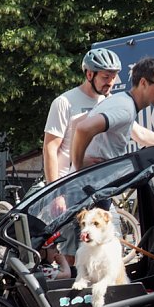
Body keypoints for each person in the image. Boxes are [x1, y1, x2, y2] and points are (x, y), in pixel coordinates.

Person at [44, 48, 121, 261]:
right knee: (72, 252)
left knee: (110, 245)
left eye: (114, 77)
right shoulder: (65, 102)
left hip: (99, 188)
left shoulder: (111, 103)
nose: (110, 82)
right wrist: (56, 192)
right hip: (69, 188)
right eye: (105, 77)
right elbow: (50, 148)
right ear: (89, 74)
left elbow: (136, 132)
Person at [71, 57, 154, 171]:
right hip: (88, 185)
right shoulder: (125, 109)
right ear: (143, 83)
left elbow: (141, 135)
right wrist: (78, 165)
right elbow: (82, 128)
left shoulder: (124, 101)